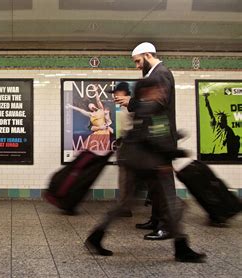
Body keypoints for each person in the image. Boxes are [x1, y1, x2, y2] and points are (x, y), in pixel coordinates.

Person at [85, 77, 207, 263]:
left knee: (132, 204)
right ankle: (181, 248)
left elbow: (152, 135)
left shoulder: (146, 107)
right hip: (147, 164)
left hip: (139, 162)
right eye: (157, 88)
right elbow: (152, 137)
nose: (162, 91)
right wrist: (175, 151)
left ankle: (96, 237)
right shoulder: (150, 108)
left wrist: (174, 142)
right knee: (173, 205)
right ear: (148, 91)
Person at [115, 42, 176, 240]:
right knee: (154, 186)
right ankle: (157, 220)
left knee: (164, 186)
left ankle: (167, 226)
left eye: (138, 61)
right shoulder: (153, 75)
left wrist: (131, 102)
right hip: (152, 143)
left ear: (148, 55)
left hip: (161, 142)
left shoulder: (162, 73)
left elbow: (158, 104)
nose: (137, 66)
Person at [109, 82, 134, 217]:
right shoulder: (121, 108)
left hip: (130, 147)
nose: (114, 96)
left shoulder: (132, 108)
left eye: (116, 93)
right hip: (124, 145)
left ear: (124, 93)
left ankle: (124, 206)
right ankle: (124, 205)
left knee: (125, 177)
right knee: (125, 177)